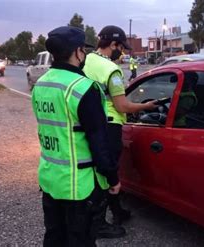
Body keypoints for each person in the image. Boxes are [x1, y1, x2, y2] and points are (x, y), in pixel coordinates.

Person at [32, 26, 120, 246]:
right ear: (78, 52)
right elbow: (99, 141)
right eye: (84, 50)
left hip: (51, 179)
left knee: (54, 237)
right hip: (80, 186)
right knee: (80, 240)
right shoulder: (83, 88)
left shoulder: (41, 84)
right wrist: (112, 178)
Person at [83, 25, 157, 233]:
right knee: (109, 170)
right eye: (121, 48)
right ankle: (100, 222)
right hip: (110, 125)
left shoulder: (87, 61)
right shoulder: (112, 71)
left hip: (89, 122)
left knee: (99, 170)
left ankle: (117, 212)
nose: (122, 52)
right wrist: (146, 106)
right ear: (112, 44)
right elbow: (122, 106)